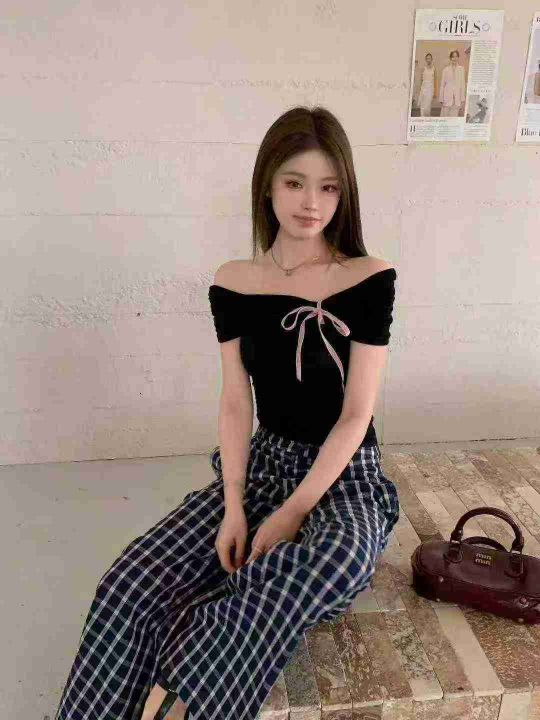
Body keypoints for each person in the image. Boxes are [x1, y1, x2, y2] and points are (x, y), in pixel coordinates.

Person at [54, 105, 400, 720]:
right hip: (264, 464)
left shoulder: (368, 278)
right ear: (267, 185)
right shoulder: (234, 282)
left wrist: (294, 512)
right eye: (294, 182)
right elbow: (237, 401)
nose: (311, 203)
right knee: (130, 581)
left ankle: (177, 691)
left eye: (328, 187)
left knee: (334, 561)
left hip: (344, 474)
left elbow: (356, 416)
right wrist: (235, 506)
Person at [439, 49, 466, 117]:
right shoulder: (445, 70)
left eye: (456, 56)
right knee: (445, 118)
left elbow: (462, 85)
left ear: (458, 57)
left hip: (457, 99)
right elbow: (442, 85)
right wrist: (441, 98)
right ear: (450, 58)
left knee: (454, 118)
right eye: (453, 56)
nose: (455, 58)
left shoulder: (461, 69)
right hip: (446, 97)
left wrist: (462, 100)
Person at [417, 52, 438, 116]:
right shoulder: (423, 68)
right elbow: (421, 80)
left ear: (432, 59)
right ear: (425, 60)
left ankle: (427, 117)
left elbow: (435, 81)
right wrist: (420, 89)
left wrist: (435, 92)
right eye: (427, 58)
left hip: (430, 89)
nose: (428, 60)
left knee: (428, 105)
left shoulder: (434, 69)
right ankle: (422, 117)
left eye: (430, 58)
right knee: (423, 104)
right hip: (424, 89)